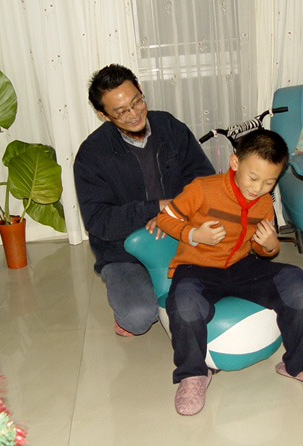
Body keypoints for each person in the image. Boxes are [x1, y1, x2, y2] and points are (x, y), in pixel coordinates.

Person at [156, 128, 303, 416]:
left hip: (241, 267)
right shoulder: (202, 188)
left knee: (296, 280)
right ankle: (193, 374)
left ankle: (300, 364)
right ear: (234, 163)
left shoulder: (264, 202)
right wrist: (194, 234)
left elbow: (262, 249)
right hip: (196, 267)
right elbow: (164, 219)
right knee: (184, 302)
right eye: (253, 178)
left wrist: (270, 245)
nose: (258, 188)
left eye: (269, 182)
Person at [74, 64, 215, 337]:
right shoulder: (92, 154)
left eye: (136, 101)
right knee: (137, 318)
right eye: (121, 111)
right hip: (125, 253)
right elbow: (98, 221)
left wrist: (173, 213)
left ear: (140, 89)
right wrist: (153, 209)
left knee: (221, 289)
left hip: (181, 235)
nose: (134, 114)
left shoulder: (170, 127)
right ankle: (133, 297)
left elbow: (205, 183)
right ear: (103, 114)